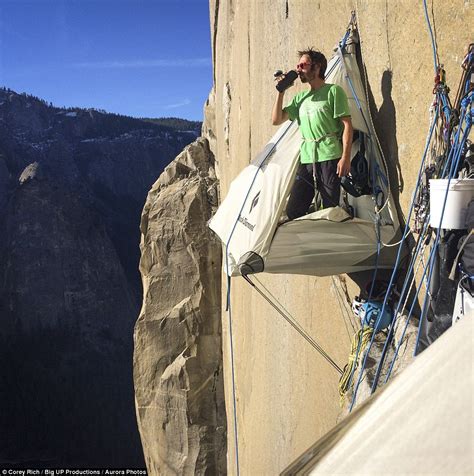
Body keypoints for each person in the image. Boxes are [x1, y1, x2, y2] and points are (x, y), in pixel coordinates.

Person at [272, 48, 353, 219]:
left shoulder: (333, 91)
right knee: (294, 210)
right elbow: (276, 119)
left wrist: (345, 157)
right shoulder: (300, 98)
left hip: (330, 156)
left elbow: (347, 125)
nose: (298, 69)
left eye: (302, 65)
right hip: (307, 158)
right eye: (298, 65)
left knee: (330, 208)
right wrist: (281, 92)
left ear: (316, 67)